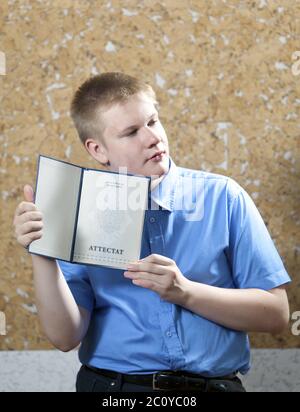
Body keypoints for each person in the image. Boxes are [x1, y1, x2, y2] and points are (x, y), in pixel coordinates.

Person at [13, 72, 291, 393]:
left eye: (153, 121)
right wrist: (43, 253)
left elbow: (276, 315)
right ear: (98, 150)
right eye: (131, 132)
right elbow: (65, 338)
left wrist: (185, 292)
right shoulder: (79, 213)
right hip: (112, 390)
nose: (152, 138)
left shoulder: (224, 197)